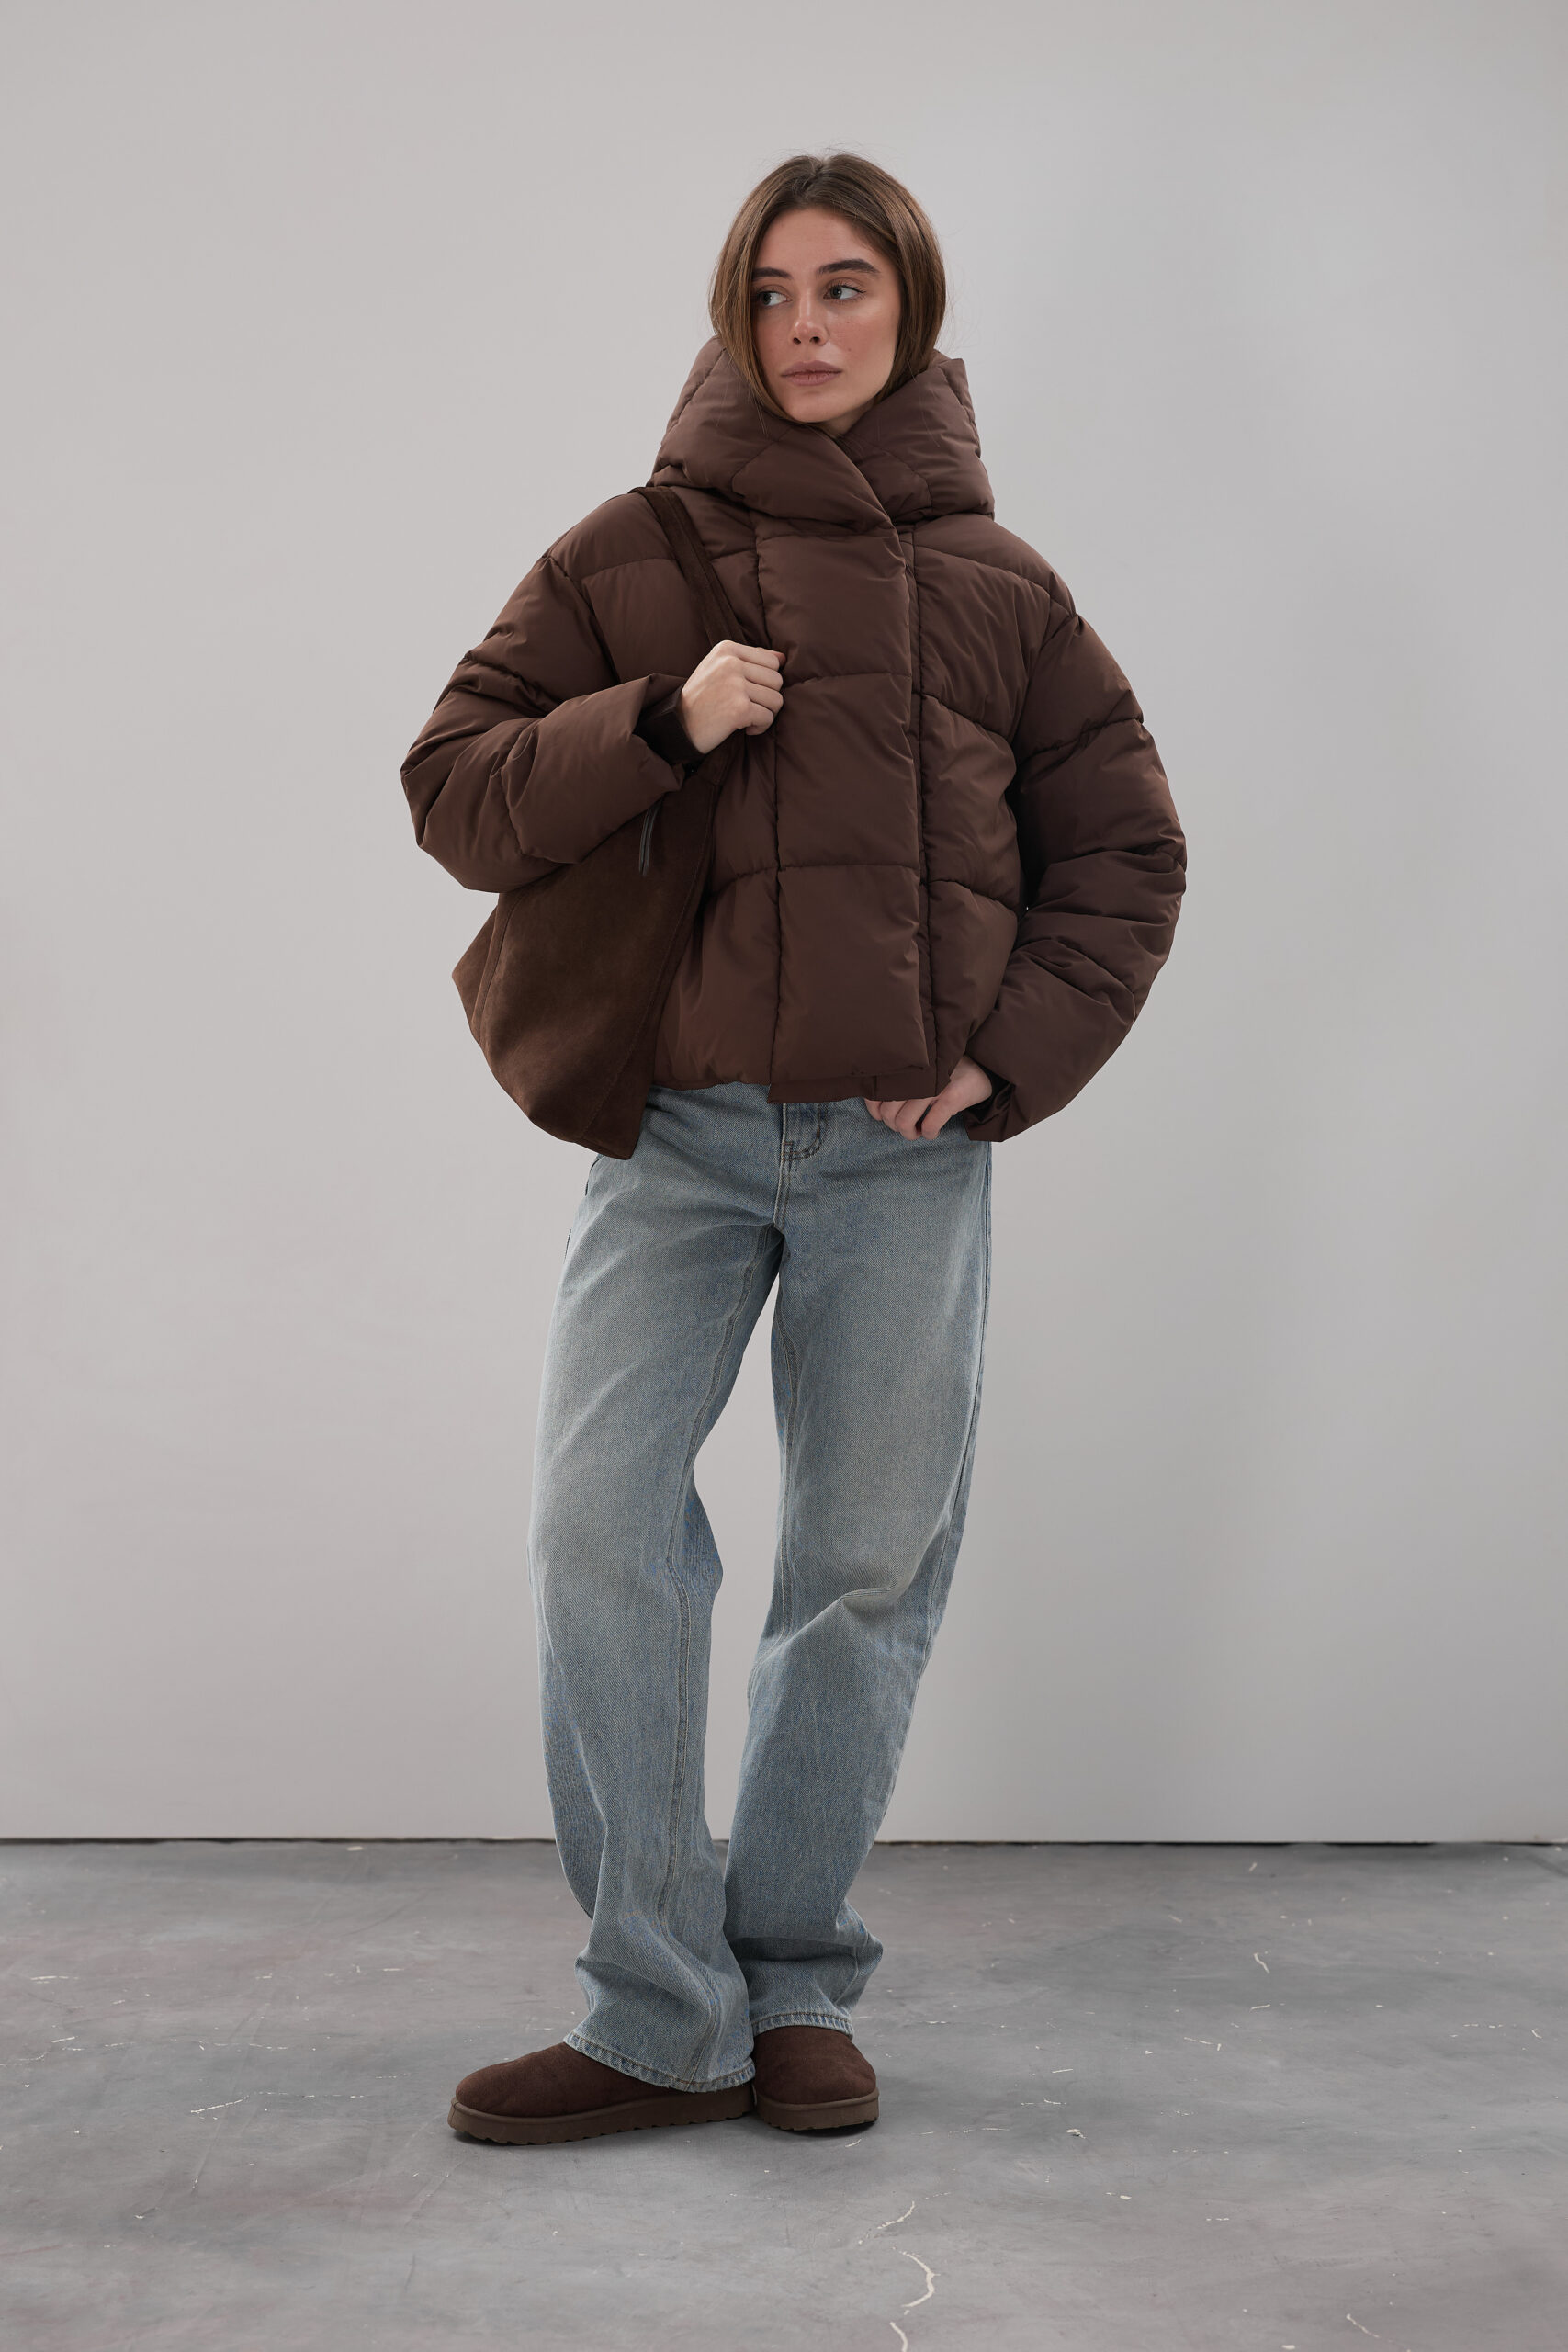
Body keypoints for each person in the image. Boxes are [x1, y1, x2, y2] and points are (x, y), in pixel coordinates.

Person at [400, 153, 1186, 2147]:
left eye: (845, 286)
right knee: (597, 1529)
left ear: (909, 311)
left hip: (903, 1154)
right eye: (769, 290)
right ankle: (654, 2008)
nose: (807, 324)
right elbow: (454, 792)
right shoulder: (627, 550)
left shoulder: (1005, 591)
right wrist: (658, 722)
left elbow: (1124, 851)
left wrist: (1000, 1060)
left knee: (859, 1564)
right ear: (728, 316)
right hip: (673, 1137)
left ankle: (794, 1982)